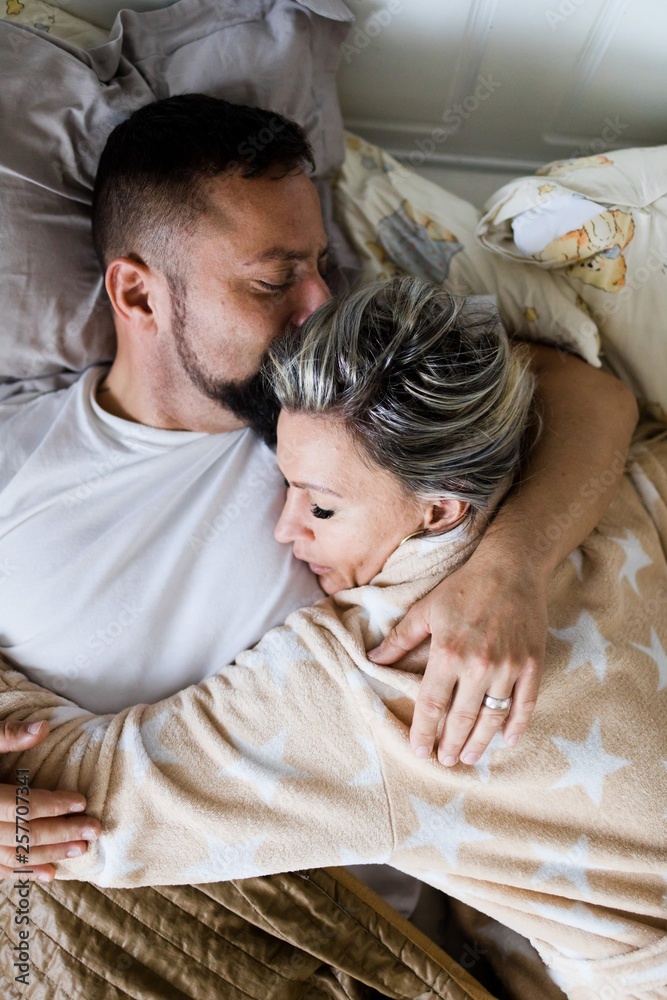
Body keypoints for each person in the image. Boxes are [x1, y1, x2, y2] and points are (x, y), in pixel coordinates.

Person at [0, 94, 638, 884]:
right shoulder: (18, 459)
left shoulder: (353, 390)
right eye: (273, 282)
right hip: (91, 868)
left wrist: (510, 567)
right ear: (138, 296)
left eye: (319, 265)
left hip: (374, 893)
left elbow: (593, 397)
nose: (317, 305)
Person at [2, 278, 664, 1000]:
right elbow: (573, 382)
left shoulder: (369, 682)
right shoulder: (625, 474)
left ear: (438, 511)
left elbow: (65, 811)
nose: (286, 529)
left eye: (321, 505)